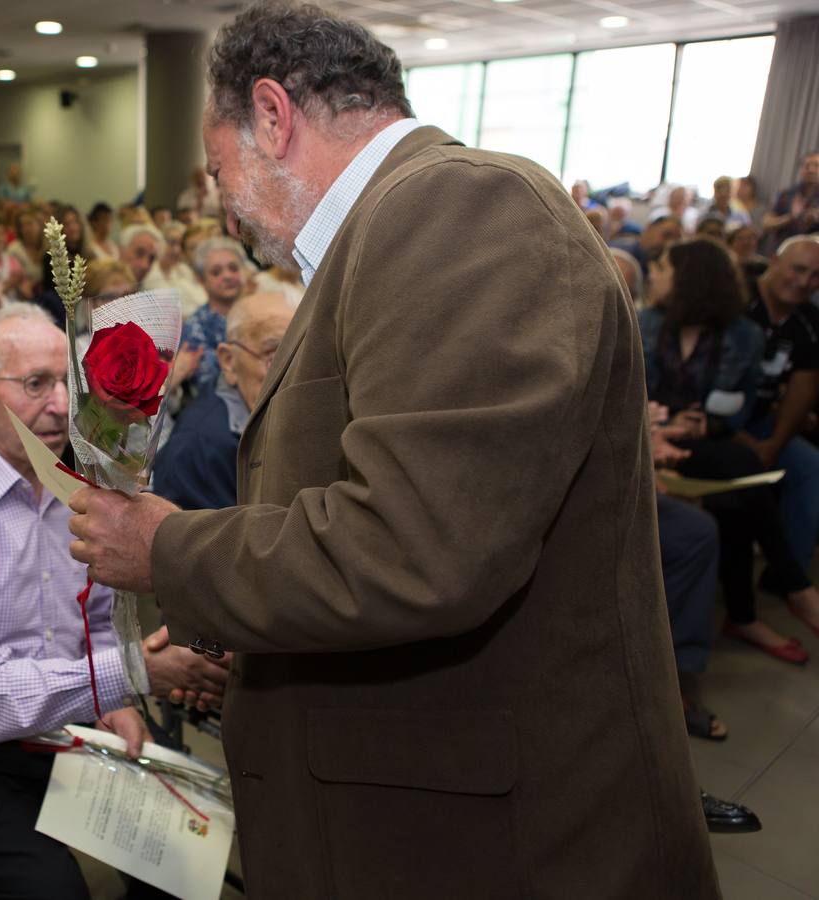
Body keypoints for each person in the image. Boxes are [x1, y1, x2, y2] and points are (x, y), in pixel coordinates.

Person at [65, 5, 716, 896]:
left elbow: (417, 546)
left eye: (219, 169)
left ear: (271, 115)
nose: (221, 198)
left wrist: (168, 549)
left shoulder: (459, 206)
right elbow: (358, 503)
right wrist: (242, 634)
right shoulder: (386, 234)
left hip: (499, 840)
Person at [0, 301, 228, 898]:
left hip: (55, 708)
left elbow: (91, 617)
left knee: (183, 850)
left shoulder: (74, 486)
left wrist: (114, 696)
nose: (61, 405)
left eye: (68, 382)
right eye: (35, 384)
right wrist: (132, 674)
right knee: (52, 890)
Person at [640, 239, 819, 662]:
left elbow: (738, 409)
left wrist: (706, 422)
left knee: (739, 484)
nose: (655, 273)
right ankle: (791, 593)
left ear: (689, 278)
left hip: (707, 440)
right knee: (741, 474)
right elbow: (631, 393)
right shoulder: (644, 322)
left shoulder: (743, 335)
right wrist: (669, 420)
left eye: (664, 267)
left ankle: (751, 611)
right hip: (655, 436)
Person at [154, 292, 293, 510]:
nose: (293, 373)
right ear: (228, 361)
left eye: (300, 356)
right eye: (273, 357)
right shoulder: (198, 448)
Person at [743, 235, 819, 578]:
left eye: (816, 276)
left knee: (810, 468)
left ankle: (789, 580)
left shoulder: (809, 320)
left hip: (763, 421)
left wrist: (775, 443)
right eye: (798, 269)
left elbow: (803, 389)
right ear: (774, 260)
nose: (804, 282)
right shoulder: (737, 298)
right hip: (714, 423)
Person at [183, 237, 247, 395]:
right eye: (216, 272)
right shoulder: (195, 327)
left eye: (233, 268)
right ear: (201, 280)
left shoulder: (261, 311)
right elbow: (210, 384)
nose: (227, 276)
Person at [763, 151, 819, 249]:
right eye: (807, 165)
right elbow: (766, 224)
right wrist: (790, 218)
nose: (811, 169)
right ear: (801, 170)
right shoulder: (787, 194)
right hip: (783, 250)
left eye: (816, 165)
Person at [609, 214, 683, 280]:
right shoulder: (619, 254)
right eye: (667, 235)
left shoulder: (666, 269)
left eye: (676, 241)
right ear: (649, 228)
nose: (669, 244)